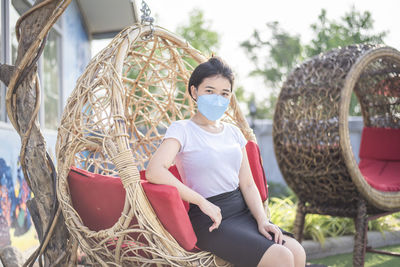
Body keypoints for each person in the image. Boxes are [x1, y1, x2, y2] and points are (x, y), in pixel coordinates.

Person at [146, 56, 306, 267]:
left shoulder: (234, 132)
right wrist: (202, 202)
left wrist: (262, 220)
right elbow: (154, 171)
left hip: (241, 211)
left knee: (296, 251)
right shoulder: (182, 129)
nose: (217, 99)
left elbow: (248, 184)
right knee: (281, 257)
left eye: (224, 93)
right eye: (209, 91)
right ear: (194, 92)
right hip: (209, 218)